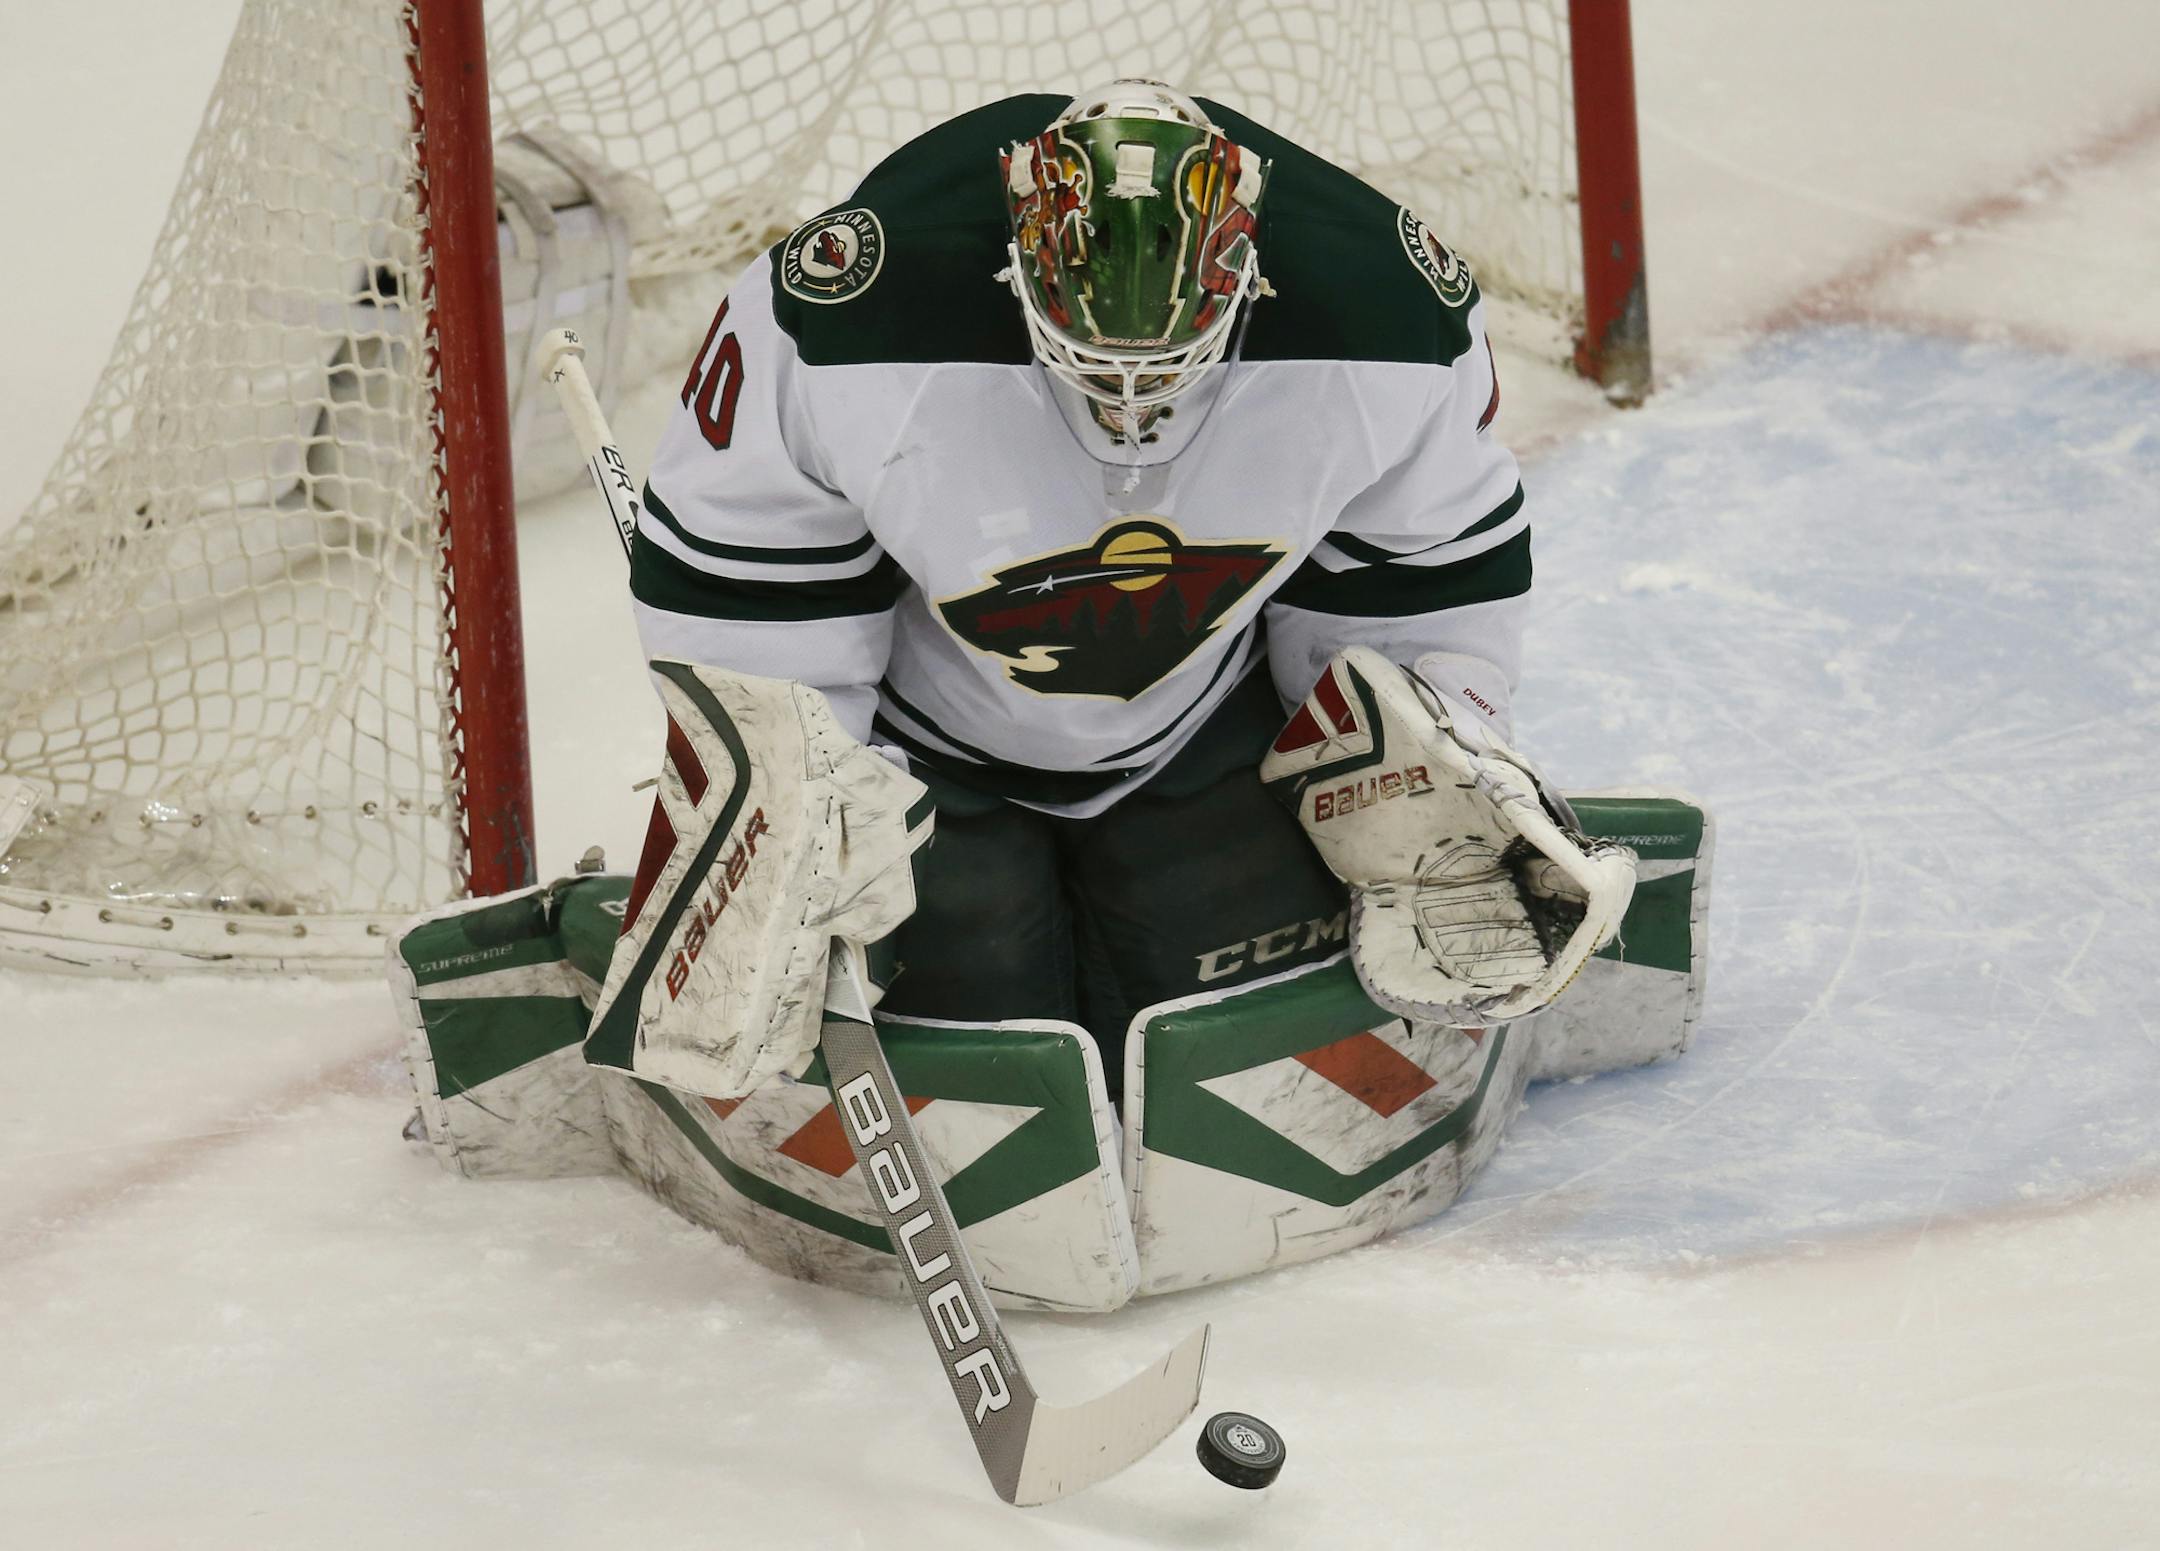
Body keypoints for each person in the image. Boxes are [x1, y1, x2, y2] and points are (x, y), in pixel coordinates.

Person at [629, 80, 1613, 1096]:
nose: (1131, 404)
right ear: (1015, 265)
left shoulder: (1385, 310)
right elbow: (750, 587)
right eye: (1091, 365)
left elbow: (1423, 574)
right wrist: (799, 806)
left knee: (1232, 1028)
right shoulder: (848, 310)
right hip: (925, 754)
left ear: (1248, 271)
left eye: (1169, 367)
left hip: (1201, 724)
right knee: (979, 1041)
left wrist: (1423, 763)